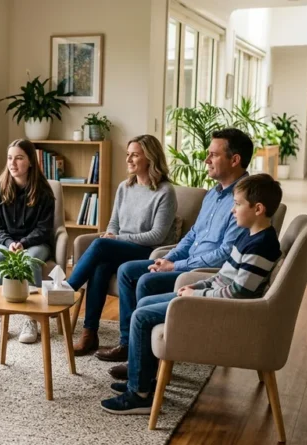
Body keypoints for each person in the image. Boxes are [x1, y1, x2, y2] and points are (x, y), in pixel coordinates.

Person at [99, 174, 283, 414]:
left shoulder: (261, 246)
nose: (232, 211)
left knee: (142, 316)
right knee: (143, 302)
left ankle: (139, 395)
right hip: (210, 299)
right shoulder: (249, 237)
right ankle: (144, 381)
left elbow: (238, 293)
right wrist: (196, 287)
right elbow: (223, 278)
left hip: (222, 310)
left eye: (237, 204)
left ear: (258, 209)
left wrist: (197, 297)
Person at [96, 128, 254, 379]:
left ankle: (146, 360)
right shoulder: (213, 193)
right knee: (127, 271)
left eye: (213, 155)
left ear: (234, 160)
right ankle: (129, 346)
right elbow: (192, 236)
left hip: (204, 272)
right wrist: (170, 258)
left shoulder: (244, 200)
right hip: (186, 262)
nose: (206, 160)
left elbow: (225, 253)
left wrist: (178, 266)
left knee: (145, 280)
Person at [67, 135, 177, 355]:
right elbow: (114, 222)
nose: (129, 159)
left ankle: (65, 290)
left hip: (148, 251)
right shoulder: (124, 187)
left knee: (100, 246)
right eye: (128, 154)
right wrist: (111, 234)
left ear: (150, 158)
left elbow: (157, 235)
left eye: (135, 154)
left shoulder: (165, 192)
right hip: (120, 248)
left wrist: (115, 239)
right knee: (100, 266)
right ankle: (91, 335)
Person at [0, 139, 55, 344]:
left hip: (35, 243)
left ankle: (31, 319)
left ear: (31, 161)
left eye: (19, 158)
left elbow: (45, 229)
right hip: (3, 242)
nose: (13, 163)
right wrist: (9, 243)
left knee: (30, 260)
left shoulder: (44, 192)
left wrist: (23, 243)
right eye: (9, 158)